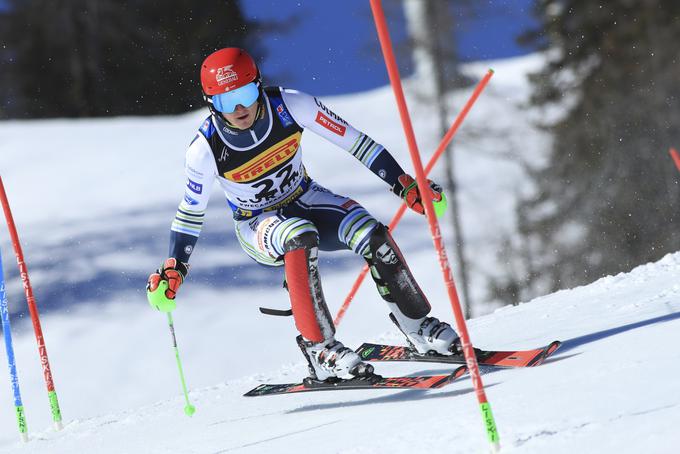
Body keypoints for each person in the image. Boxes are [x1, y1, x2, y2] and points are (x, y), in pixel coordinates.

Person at [147, 48, 460, 382]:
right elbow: (189, 213)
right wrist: (175, 266)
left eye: (245, 94)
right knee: (298, 235)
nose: (238, 108)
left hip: (304, 196)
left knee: (371, 233)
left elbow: (357, 143)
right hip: (257, 223)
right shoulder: (205, 149)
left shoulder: (291, 106)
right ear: (211, 103)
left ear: (259, 85)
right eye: (225, 101)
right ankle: (320, 350)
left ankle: (417, 328)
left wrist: (402, 184)